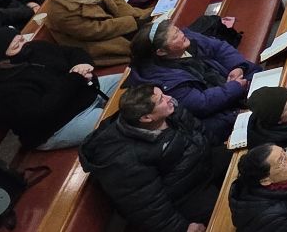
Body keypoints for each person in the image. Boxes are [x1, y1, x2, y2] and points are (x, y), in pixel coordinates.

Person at [79, 84, 232, 232]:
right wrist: (181, 228)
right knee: (231, 214)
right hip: (186, 195)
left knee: (243, 158)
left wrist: (223, 145)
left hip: (203, 163)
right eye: (161, 100)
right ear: (146, 118)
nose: (169, 98)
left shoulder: (170, 110)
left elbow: (199, 131)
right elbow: (147, 206)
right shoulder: (124, 159)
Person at [0, 26, 117, 150]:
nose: (24, 45)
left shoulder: (35, 48)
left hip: (87, 90)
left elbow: (71, 52)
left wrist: (81, 64)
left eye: (21, 39)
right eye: (16, 47)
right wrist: (74, 78)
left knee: (129, 85)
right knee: (119, 122)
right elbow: (42, 111)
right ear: (1, 62)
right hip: (61, 125)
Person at [129, 20, 264, 140]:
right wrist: (234, 87)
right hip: (218, 112)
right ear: (161, 52)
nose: (182, 34)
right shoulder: (164, 80)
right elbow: (201, 103)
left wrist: (238, 67)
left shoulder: (188, 38)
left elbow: (219, 48)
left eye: (177, 30)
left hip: (232, 83)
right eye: (175, 36)